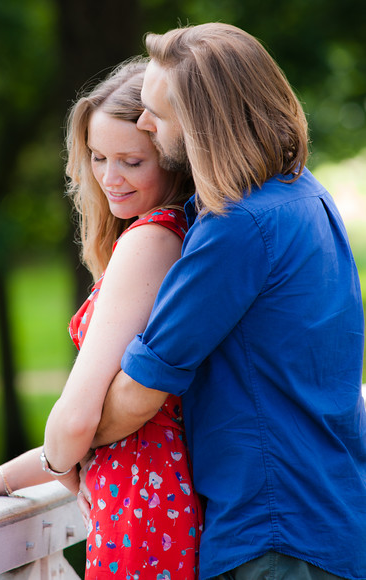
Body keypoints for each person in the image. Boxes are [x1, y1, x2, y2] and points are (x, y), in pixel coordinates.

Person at [87, 23, 366, 580]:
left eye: (156, 115)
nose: (143, 123)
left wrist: (63, 446)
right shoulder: (302, 192)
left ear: (200, 124)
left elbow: (140, 391)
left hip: (272, 534)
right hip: (325, 516)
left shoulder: (237, 228)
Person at [0, 59, 203, 579]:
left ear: (172, 158)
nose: (109, 178)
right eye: (99, 157)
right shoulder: (185, 232)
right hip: (154, 499)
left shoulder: (150, 240)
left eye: (131, 161)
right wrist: (13, 474)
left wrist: (53, 468)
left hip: (143, 508)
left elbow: (79, 419)